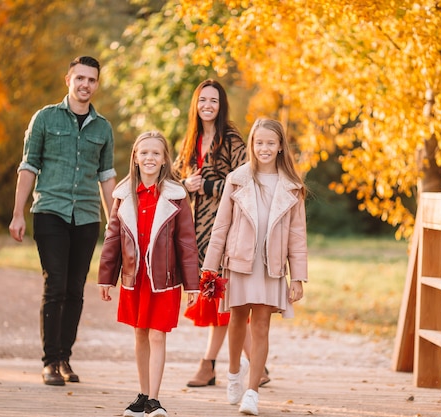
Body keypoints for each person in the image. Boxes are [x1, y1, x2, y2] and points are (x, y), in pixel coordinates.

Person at [8, 56, 116, 386]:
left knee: (75, 289)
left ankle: (65, 358)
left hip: (86, 217)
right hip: (50, 211)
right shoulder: (44, 118)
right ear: (67, 79)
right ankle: (49, 361)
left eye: (92, 80)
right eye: (80, 78)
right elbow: (29, 166)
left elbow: (107, 176)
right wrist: (17, 213)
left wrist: (114, 223)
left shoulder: (103, 128)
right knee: (54, 285)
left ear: (97, 84)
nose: (85, 84)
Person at [202, 118, 308, 416]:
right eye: (259, 142)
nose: (264, 148)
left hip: (271, 266)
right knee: (237, 321)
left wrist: (297, 277)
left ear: (280, 147)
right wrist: (209, 268)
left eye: (270, 143)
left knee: (262, 325)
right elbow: (221, 226)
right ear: (252, 145)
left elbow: (298, 236)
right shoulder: (237, 179)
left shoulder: (292, 187)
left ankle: (252, 392)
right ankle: (234, 373)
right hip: (239, 263)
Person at [174, 79, 269, 388]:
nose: (207, 105)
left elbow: (248, 179)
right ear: (196, 104)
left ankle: (209, 364)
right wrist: (185, 185)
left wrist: (210, 186)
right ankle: (258, 365)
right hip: (197, 233)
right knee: (220, 297)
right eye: (202, 100)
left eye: (213, 100)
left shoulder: (231, 140)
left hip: (227, 229)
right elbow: (174, 176)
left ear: (221, 104)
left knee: (221, 296)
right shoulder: (191, 140)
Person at [97, 131, 200, 417]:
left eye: (156, 153)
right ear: (135, 157)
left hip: (164, 281)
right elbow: (112, 238)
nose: (150, 158)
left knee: (157, 336)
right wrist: (106, 277)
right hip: (135, 277)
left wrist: (192, 284)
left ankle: (155, 400)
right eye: (144, 153)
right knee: (140, 334)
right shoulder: (123, 194)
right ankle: (142, 396)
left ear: (165, 158)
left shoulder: (176, 196)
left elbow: (186, 242)